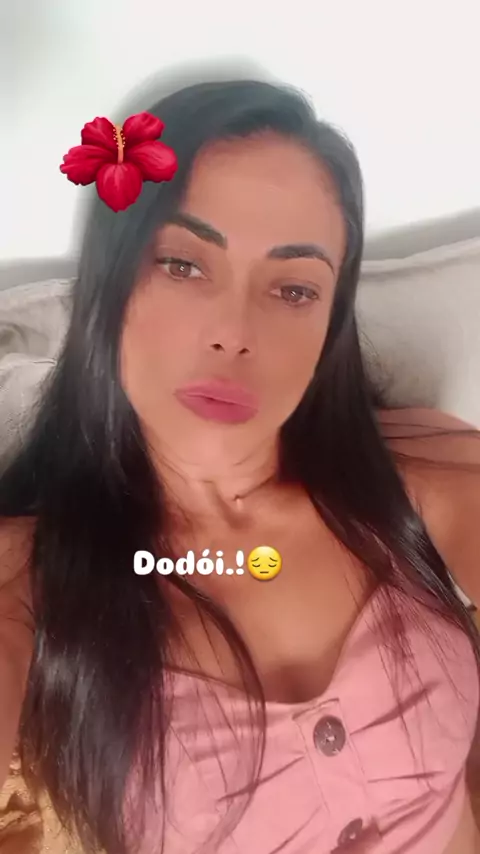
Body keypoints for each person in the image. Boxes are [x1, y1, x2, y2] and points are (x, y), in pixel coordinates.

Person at [0, 77, 480, 854]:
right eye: (182, 265)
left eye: (293, 288)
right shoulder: (27, 572)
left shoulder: (420, 473)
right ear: (110, 285)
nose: (234, 332)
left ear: (331, 321)